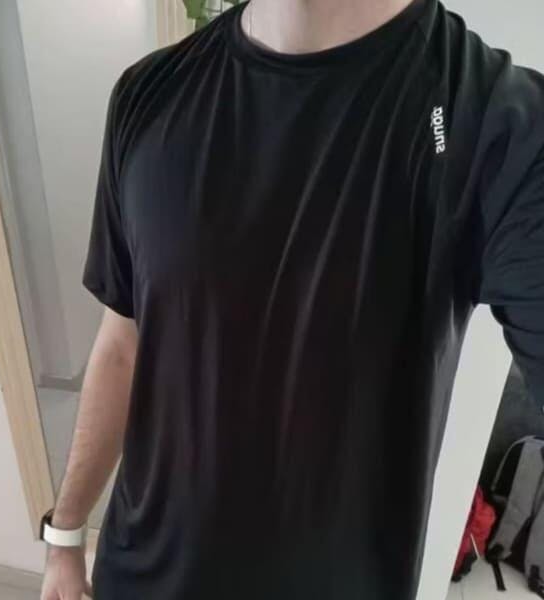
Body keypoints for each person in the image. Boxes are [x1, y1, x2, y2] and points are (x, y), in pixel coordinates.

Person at [40, 0, 544, 598]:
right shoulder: (146, 95)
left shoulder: (495, 123)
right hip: (137, 576)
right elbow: (122, 344)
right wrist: (65, 534)